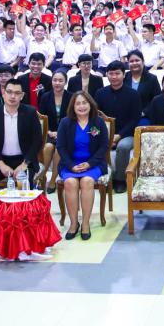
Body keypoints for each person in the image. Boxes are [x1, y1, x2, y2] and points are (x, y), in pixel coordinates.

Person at [0, 78, 44, 241]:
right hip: (0, 160)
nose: (13, 96)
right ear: (3, 93)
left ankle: (27, 221)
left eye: (17, 93)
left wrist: (24, 164)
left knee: (25, 183)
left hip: (24, 160)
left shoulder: (30, 113)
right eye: (10, 92)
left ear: (22, 96)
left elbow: (37, 141)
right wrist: (1, 165)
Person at [55, 91, 109, 240]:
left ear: (90, 104)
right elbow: (60, 147)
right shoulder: (65, 123)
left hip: (93, 163)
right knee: (70, 182)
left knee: (87, 181)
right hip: (70, 164)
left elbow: (104, 146)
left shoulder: (98, 122)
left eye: (84, 103)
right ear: (73, 107)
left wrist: (90, 163)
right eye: (78, 103)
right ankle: (74, 223)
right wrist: (71, 165)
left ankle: (85, 223)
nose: (81, 106)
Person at [93, 61, 141, 193]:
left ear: (124, 75)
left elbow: (134, 120)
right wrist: (104, 135)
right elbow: (95, 117)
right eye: (111, 74)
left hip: (127, 134)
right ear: (107, 75)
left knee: (123, 146)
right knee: (89, 139)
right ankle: (99, 177)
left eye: (117, 73)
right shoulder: (100, 93)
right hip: (105, 132)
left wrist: (119, 136)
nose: (114, 77)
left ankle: (120, 180)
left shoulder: (133, 94)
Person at [37, 69, 68, 182]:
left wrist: (60, 132)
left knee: (59, 149)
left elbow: (72, 118)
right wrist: (48, 131)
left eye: (60, 80)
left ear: (65, 82)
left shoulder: (71, 97)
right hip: (48, 132)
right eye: (55, 80)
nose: (57, 83)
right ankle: (41, 177)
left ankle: (53, 181)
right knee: (48, 147)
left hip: (65, 133)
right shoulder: (45, 96)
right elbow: (42, 117)